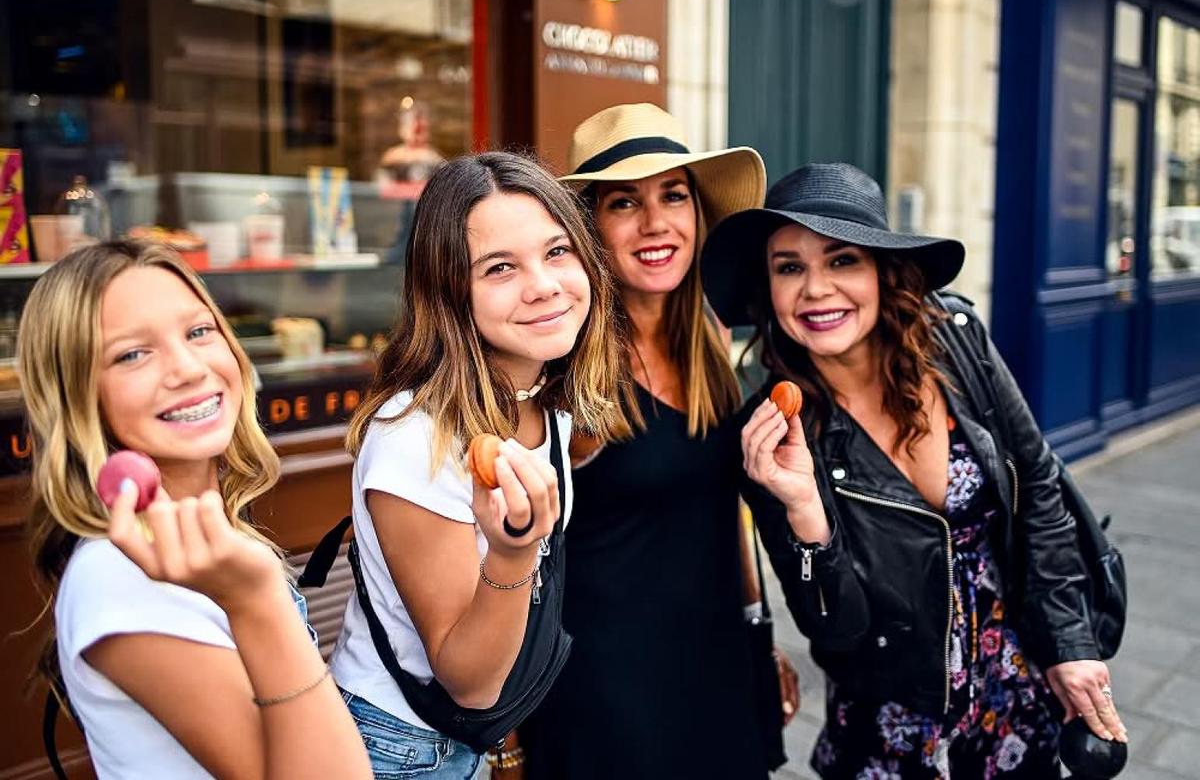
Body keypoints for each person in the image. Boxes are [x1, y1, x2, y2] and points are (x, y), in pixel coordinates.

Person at [701, 162, 1128, 778]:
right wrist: (804, 512)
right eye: (789, 267)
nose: (816, 288)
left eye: (841, 259)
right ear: (768, 289)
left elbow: (1039, 486)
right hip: (891, 723)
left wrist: (1070, 643)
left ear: (881, 270)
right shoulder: (773, 434)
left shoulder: (957, 341)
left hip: (1014, 686)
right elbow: (835, 632)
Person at [516, 103, 799, 780]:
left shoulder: (708, 341)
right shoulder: (567, 366)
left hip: (716, 658)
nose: (655, 223)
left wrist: (759, 630)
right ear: (588, 228)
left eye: (673, 195)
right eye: (624, 202)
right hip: (608, 692)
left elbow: (724, 510)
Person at [20, 240, 371, 780]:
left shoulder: (206, 528)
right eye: (132, 354)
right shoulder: (120, 578)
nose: (187, 368)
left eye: (199, 331)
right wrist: (257, 604)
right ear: (79, 397)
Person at [328, 151, 625, 778]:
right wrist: (515, 552)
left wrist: (506, 749)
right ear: (449, 291)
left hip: (459, 745)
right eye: (499, 268)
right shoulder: (417, 436)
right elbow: (468, 682)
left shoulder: (545, 404)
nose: (542, 284)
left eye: (557, 252)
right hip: (393, 747)